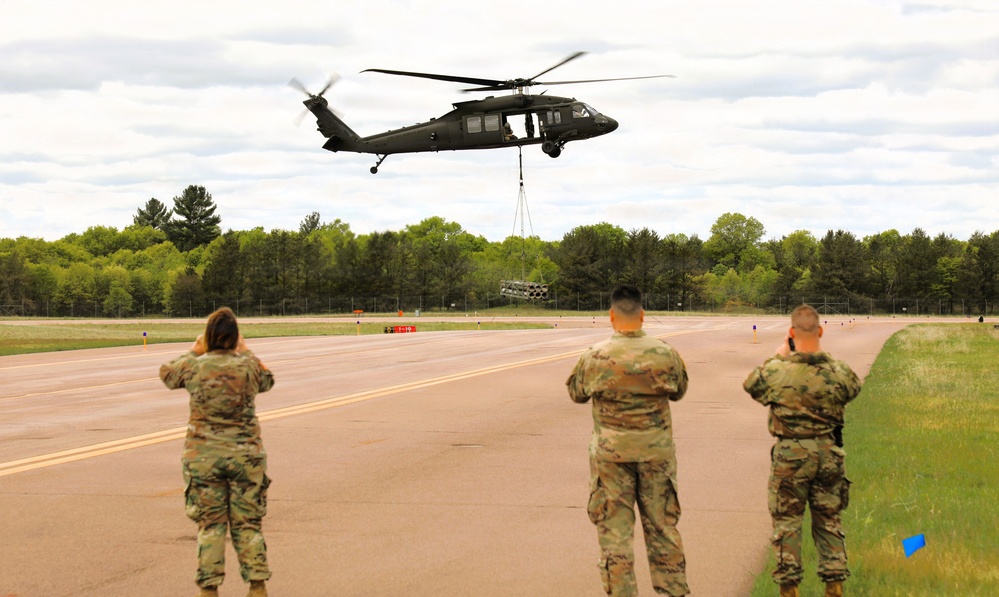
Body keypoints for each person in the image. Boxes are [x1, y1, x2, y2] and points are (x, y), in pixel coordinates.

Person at [566, 284, 690, 596]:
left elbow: (576, 393)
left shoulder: (596, 356)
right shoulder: (665, 353)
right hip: (656, 454)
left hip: (611, 458)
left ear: (611, 316)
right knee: (663, 529)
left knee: (615, 537)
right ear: (643, 315)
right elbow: (680, 390)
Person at [743, 305, 862, 597]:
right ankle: (834, 586)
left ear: (792, 333)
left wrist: (780, 353)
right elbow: (853, 388)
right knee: (829, 521)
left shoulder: (778, 370)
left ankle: (789, 589)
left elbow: (752, 385)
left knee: (787, 523)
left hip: (790, 456)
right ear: (820, 331)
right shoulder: (838, 371)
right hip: (828, 453)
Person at [160, 307, 275, 597]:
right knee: (248, 524)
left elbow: (168, 375)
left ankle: (209, 590)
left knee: (211, 526)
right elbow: (268, 379)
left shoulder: (196, 366)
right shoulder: (247, 366)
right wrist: (245, 350)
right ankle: (257, 586)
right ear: (235, 338)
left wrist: (195, 350)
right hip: (245, 458)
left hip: (204, 458)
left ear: (209, 337)